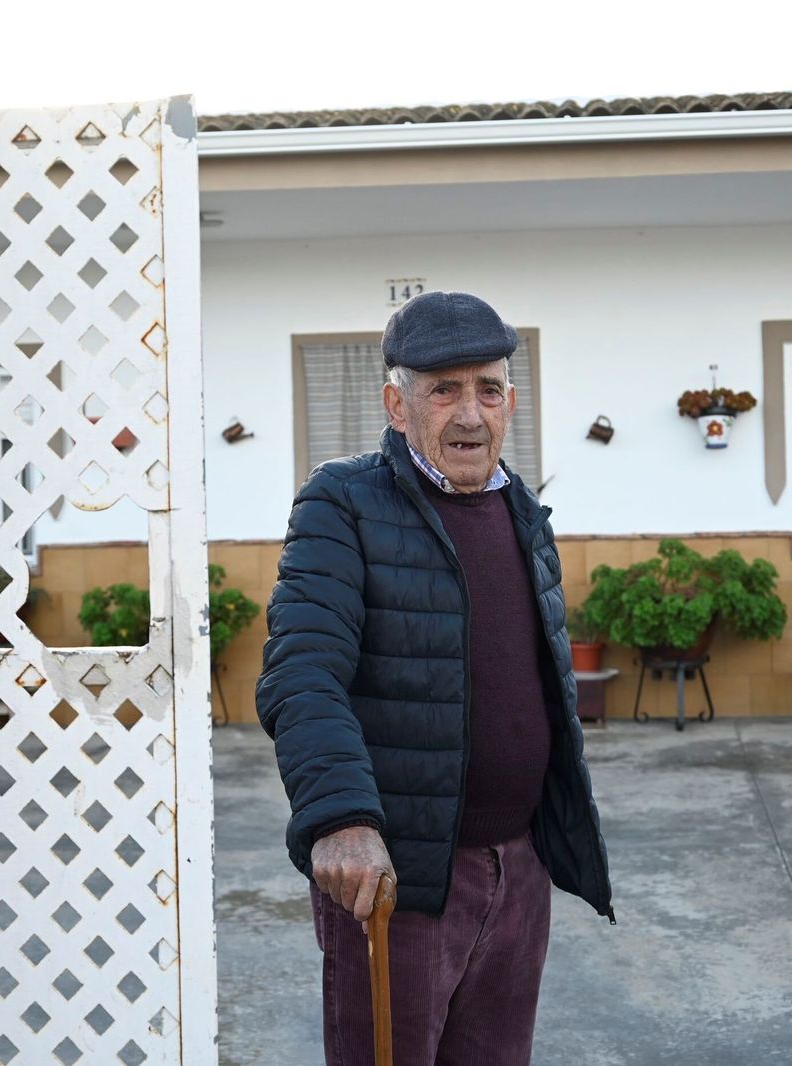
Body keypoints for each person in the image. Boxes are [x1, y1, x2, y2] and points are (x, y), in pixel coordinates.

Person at [256, 290, 614, 1066]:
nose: (469, 414)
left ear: (510, 402)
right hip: (402, 880)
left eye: (488, 388)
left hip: (518, 872)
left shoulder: (524, 510)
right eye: (442, 390)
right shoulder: (342, 505)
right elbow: (303, 671)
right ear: (397, 403)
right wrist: (340, 817)